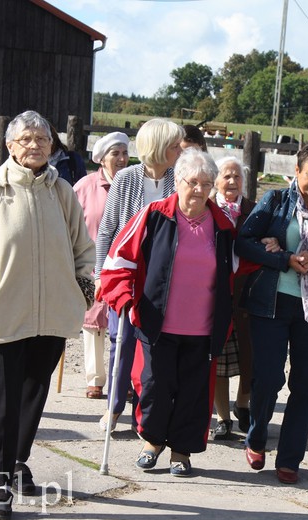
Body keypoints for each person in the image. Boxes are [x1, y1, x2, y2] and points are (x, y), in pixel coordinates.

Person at [0, 110, 95, 520]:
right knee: (2, 401)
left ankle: (17, 461)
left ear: (52, 146)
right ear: (10, 146)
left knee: (33, 394)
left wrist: (83, 287)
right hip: (3, 315)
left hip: (51, 316)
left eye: (42, 139)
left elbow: (83, 249)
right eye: (26, 139)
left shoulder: (62, 191)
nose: (35, 146)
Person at [99, 149, 236, 478]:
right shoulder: (153, 215)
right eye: (193, 182)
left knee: (193, 391)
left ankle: (181, 451)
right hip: (157, 321)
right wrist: (124, 301)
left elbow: (235, 271)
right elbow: (118, 262)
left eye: (207, 183)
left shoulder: (222, 225)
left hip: (203, 327)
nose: (200, 190)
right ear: (177, 181)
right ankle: (151, 442)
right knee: (154, 385)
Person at [236, 143, 308, 483]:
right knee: (269, 379)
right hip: (272, 303)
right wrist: (284, 258)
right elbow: (245, 241)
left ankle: (289, 459)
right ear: (298, 170)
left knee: (306, 385)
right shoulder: (274, 202)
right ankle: (257, 435)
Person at [94, 118, 184, 432]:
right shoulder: (126, 178)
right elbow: (107, 230)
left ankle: (144, 413)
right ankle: (114, 407)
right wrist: (99, 276)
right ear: (159, 147)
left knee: (155, 346)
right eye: (175, 145)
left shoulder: (180, 178)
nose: (179, 150)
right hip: (128, 273)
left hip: (166, 277)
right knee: (121, 341)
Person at [73, 131, 131, 399]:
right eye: (115, 154)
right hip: (92, 264)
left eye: (124, 153)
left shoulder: (133, 184)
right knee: (93, 321)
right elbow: (71, 225)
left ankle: (125, 379)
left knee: (126, 323)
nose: (121, 159)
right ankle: (95, 379)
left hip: (125, 265)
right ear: (102, 159)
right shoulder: (84, 187)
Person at [209, 156, 257, 440]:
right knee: (219, 361)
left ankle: (243, 404)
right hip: (217, 296)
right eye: (226, 176)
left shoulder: (253, 209)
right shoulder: (208, 209)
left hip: (247, 295)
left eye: (237, 177)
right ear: (216, 180)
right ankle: (223, 418)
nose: (232, 182)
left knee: (250, 357)